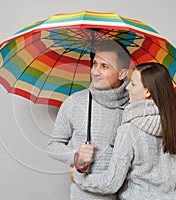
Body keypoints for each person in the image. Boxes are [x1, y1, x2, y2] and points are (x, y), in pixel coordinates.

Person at [72, 62, 176, 200]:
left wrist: (79, 178)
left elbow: (111, 184)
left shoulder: (130, 129)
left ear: (147, 91)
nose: (127, 87)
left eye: (133, 84)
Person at [47, 39, 131, 200]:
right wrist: (76, 155)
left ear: (122, 73)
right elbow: (53, 145)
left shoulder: (134, 105)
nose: (95, 72)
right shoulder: (74, 102)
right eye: (94, 64)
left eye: (104, 66)